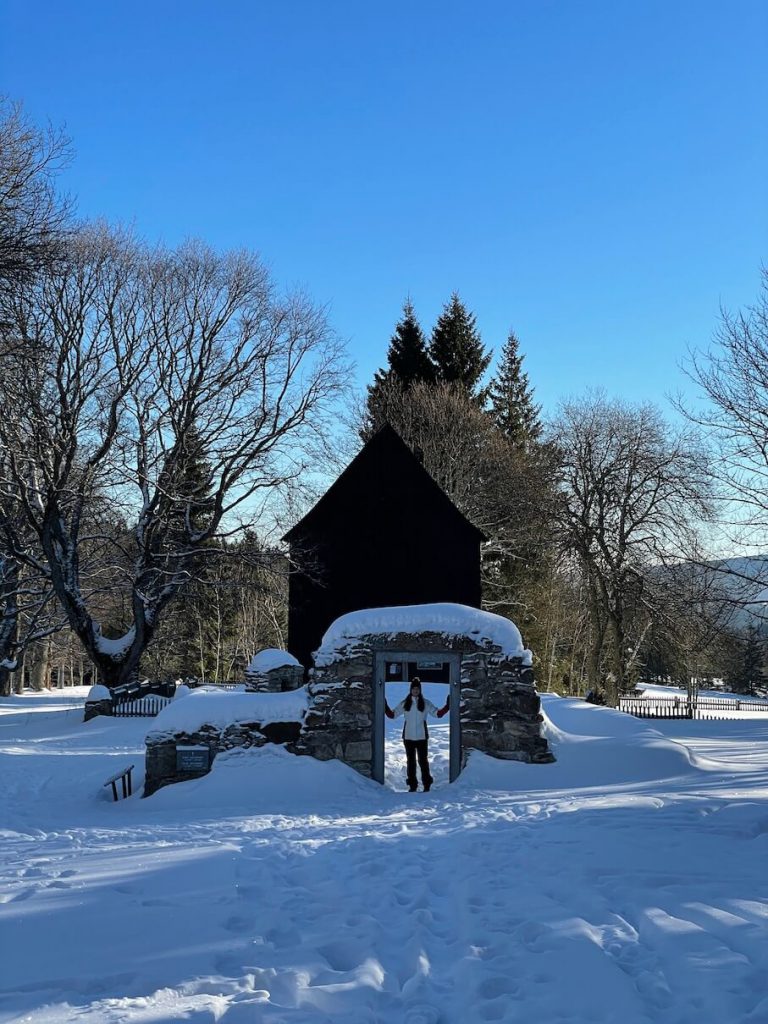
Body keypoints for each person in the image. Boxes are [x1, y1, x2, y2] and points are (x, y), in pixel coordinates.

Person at [385, 677, 449, 792]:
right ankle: (412, 785)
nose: (415, 691)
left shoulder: (425, 703)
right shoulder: (405, 703)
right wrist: (384, 705)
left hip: (422, 737)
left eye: (417, 689)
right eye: (413, 689)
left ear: (420, 690)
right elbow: (392, 715)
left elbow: (437, 714)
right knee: (411, 762)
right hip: (408, 737)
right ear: (410, 690)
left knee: (423, 761)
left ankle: (426, 784)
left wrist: (447, 706)